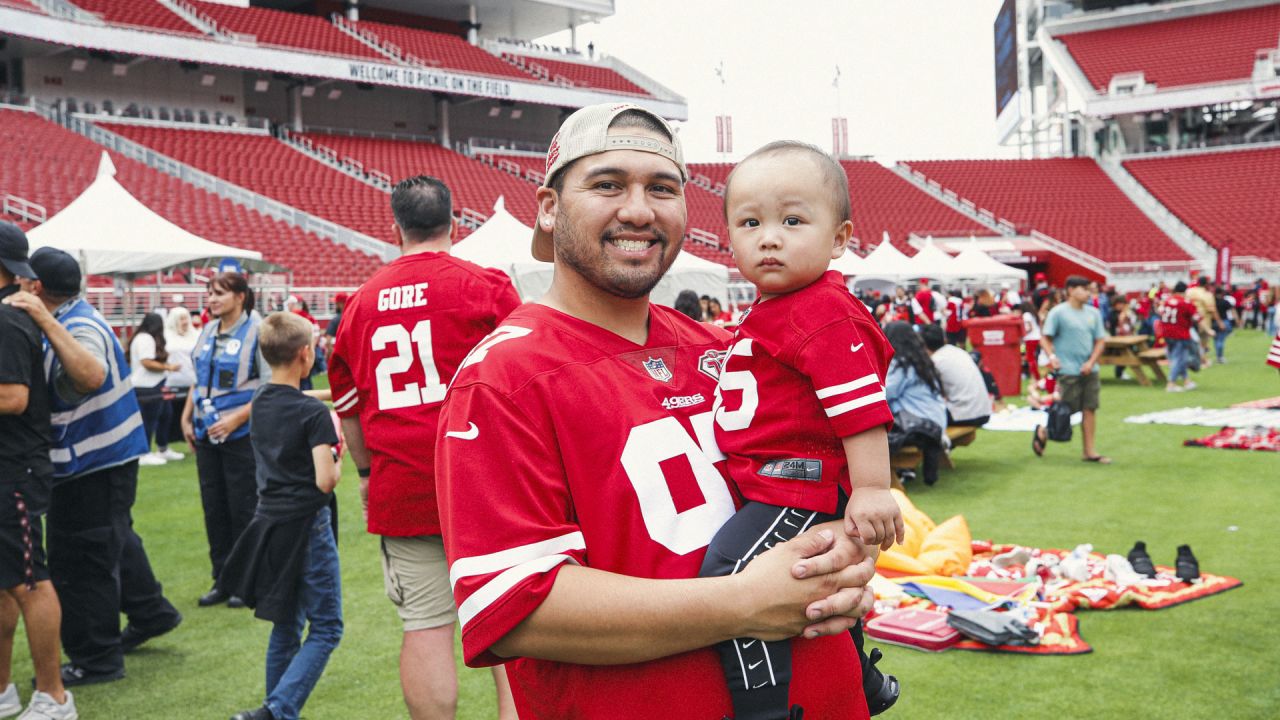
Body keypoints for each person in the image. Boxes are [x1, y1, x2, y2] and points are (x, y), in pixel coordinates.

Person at [436, 103, 877, 719]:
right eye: (608, 184)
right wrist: (743, 601)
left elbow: (825, 479)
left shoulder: (728, 348)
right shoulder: (502, 378)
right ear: (549, 207)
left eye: (662, 188)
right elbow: (514, 609)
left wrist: (845, 557)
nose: (639, 210)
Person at [704, 139, 902, 719]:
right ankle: (863, 678)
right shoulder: (779, 307)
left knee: (731, 578)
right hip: (778, 481)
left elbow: (860, 409)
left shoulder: (822, 309)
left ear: (839, 238)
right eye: (750, 222)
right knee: (822, 584)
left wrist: (869, 488)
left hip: (796, 484)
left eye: (792, 220)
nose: (770, 236)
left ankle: (761, 709)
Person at [327, 175, 521, 720]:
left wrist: (365, 474)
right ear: (455, 224)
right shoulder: (486, 286)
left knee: (425, 628)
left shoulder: (361, 303)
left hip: (405, 484)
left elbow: (348, 405)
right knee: (512, 621)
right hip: (486, 482)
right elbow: (526, 377)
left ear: (395, 229)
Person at [2, 247, 182, 690]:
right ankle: (151, 611)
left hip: (94, 460)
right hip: (105, 455)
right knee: (114, 540)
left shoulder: (76, 324)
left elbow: (91, 375)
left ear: (36, 287)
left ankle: (97, 658)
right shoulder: (77, 315)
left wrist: (43, 321)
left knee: (81, 562)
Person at [220, 312, 342, 720]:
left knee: (286, 624)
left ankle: (273, 712)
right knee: (326, 628)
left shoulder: (260, 402)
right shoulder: (313, 417)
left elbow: (295, 399)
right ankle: (277, 709)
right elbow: (326, 479)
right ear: (306, 355)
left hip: (270, 522)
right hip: (308, 524)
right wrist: (337, 447)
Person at [0, 223, 76, 719]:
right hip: (8, 469)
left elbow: (13, 396)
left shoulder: (7, 320)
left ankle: (54, 696)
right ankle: (4, 690)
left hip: (15, 471)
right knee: (6, 583)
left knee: (30, 582)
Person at [181, 272, 270, 608]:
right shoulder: (206, 330)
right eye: (210, 293)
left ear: (240, 296)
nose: (212, 299)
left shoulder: (257, 332)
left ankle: (248, 582)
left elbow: (267, 386)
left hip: (240, 435)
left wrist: (237, 418)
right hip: (207, 433)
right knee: (214, 507)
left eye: (219, 293)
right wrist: (186, 416)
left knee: (243, 506)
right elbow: (198, 378)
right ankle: (222, 578)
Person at [1033, 276, 1110, 463]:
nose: (1088, 293)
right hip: (1067, 369)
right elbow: (1045, 338)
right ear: (1071, 290)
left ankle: (1089, 451)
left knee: (1090, 408)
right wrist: (1052, 357)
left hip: (1089, 369)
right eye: (1084, 289)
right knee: (1066, 409)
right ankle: (1044, 431)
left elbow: (1100, 340)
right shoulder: (1059, 313)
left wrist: (1091, 362)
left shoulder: (1093, 313)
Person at [881, 322, 948, 485]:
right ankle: (907, 469)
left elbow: (885, 394)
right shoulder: (922, 360)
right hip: (935, 420)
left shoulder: (901, 364)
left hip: (917, 422)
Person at [918, 324, 991, 427]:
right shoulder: (958, 351)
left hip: (964, 414)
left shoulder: (936, 361)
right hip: (983, 412)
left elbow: (927, 393)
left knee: (916, 415)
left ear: (923, 344)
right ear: (944, 339)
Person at [129, 313, 178, 467]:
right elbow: (147, 362)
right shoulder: (145, 338)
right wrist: (168, 367)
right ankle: (144, 452)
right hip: (146, 386)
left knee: (165, 415)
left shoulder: (143, 337)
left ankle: (162, 448)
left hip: (154, 384)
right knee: (149, 420)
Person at [162, 307, 200, 458]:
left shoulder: (195, 335)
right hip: (172, 381)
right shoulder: (166, 336)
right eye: (181, 319)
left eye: (186, 318)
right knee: (171, 413)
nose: (184, 322)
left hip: (192, 380)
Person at [1159, 281, 1200, 392]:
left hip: (1167, 333)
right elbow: (1197, 317)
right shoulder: (1185, 302)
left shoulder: (1167, 301)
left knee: (1177, 358)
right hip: (1180, 334)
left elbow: (1160, 313)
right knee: (1179, 358)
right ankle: (1171, 383)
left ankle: (1186, 381)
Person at [1185, 276, 1218, 366]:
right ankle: (1202, 360)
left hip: (1189, 320)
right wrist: (1218, 321)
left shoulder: (1189, 291)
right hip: (1203, 320)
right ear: (1206, 284)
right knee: (1203, 342)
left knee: (1193, 340)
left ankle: (1198, 359)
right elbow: (1211, 309)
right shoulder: (1207, 294)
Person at [1019, 300, 1043, 381]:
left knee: (1030, 359)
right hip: (1037, 337)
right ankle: (1034, 376)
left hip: (1030, 338)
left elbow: (1029, 327)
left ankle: (1036, 377)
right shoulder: (1033, 314)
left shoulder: (1026, 315)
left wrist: (1022, 333)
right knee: (1034, 358)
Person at [1212, 286, 1236, 364]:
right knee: (1221, 340)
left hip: (1213, 322)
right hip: (1224, 321)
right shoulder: (1225, 302)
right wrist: (1235, 320)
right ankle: (1220, 357)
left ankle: (1218, 356)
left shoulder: (1212, 302)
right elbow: (1232, 311)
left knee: (1216, 340)